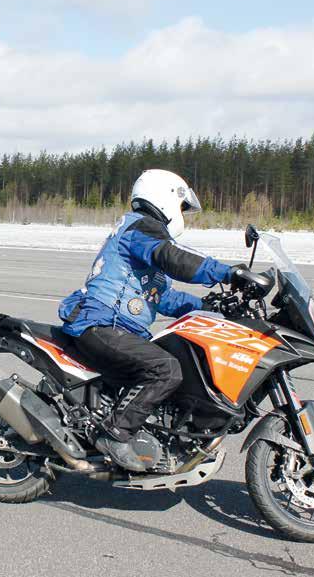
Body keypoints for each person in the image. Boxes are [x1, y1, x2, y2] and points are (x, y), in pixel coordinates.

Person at [58, 169, 246, 472]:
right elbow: (177, 259)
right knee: (166, 369)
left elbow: (165, 298)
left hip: (114, 325)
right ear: (167, 197)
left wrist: (210, 306)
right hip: (101, 323)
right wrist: (227, 273)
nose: (183, 214)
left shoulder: (144, 238)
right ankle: (116, 434)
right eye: (183, 207)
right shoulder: (142, 229)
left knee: (175, 359)